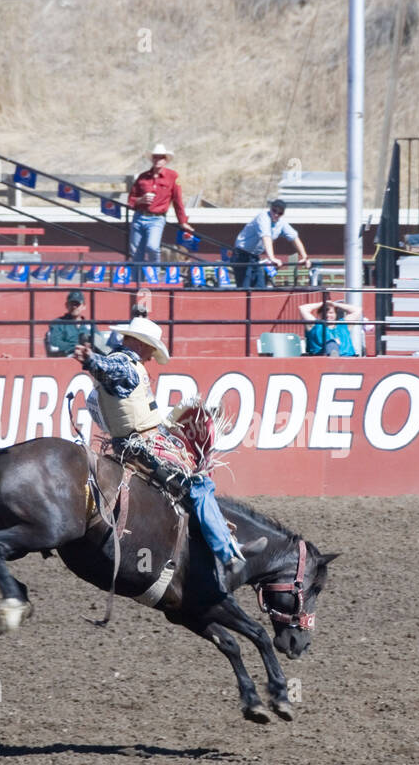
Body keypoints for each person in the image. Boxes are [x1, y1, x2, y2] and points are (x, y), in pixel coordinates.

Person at [73, 314, 261, 584]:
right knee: (198, 487)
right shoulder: (125, 364)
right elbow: (108, 369)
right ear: (138, 344)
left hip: (140, 441)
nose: (151, 356)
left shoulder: (127, 364)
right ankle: (226, 553)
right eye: (150, 348)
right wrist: (91, 360)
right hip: (143, 446)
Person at [127, 144, 192, 263]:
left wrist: (182, 221)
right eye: (155, 157)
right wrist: (141, 200)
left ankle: (153, 277)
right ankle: (136, 280)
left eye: (161, 158)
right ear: (152, 159)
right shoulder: (142, 177)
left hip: (156, 218)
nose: (157, 160)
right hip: (139, 216)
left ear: (165, 160)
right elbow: (131, 200)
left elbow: (177, 200)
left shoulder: (172, 176)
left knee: (153, 247)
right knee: (136, 251)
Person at [232, 199, 309, 288]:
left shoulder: (281, 223)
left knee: (260, 288)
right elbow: (266, 237)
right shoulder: (263, 217)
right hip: (241, 256)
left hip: (255, 257)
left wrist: (305, 257)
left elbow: (294, 237)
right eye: (274, 210)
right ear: (270, 209)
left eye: (280, 213)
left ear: (283, 214)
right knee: (244, 288)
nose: (276, 214)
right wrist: (272, 258)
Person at [45, 290, 98, 356]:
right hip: (67, 359)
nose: (74, 307)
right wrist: (78, 347)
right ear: (66, 305)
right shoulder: (57, 323)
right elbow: (55, 344)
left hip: (89, 359)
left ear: (84, 306)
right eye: (72, 304)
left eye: (77, 304)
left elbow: (99, 343)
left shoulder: (90, 325)